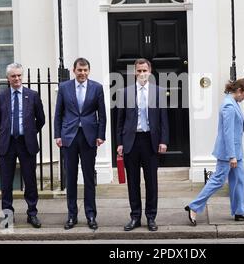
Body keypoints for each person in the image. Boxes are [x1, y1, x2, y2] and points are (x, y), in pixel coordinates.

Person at [184, 79, 244, 226]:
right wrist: (232, 156)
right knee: (217, 181)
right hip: (228, 153)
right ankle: (194, 206)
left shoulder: (234, 103)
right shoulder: (228, 106)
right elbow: (227, 133)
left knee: (239, 181)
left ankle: (239, 211)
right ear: (239, 91)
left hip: (237, 152)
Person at [116, 58, 169, 232]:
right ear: (134, 72)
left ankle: (151, 217)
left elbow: (163, 119)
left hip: (150, 141)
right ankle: (135, 217)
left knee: (151, 182)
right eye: (139, 71)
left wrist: (163, 140)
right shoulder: (125, 92)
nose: (142, 74)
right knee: (133, 182)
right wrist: (119, 143)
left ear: (150, 71)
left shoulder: (159, 92)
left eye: (144, 70)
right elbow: (120, 121)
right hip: (131, 141)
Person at [54, 58, 106, 230]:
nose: (82, 73)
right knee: (71, 178)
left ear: (89, 71)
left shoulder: (97, 88)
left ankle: (91, 215)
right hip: (69, 137)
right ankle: (72, 216)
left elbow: (102, 114)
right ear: (73, 70)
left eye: (85, 70)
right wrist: (57, 135)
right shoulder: (64, 87)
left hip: (89, 137)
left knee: (89, 177)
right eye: (79, 70)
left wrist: (101, 135)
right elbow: (58, 113)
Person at [0, 63, 45, 228]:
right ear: (8, 78)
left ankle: (32, 214)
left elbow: (41, 119)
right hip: (7, 144)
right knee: (6, 182)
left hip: (26, 143)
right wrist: (9, 130)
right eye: (13, 76)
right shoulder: (1, 97)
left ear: (23, 77)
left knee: (30, 181)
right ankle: (7, 216)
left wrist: (29, 131)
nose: (16, 78)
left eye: (19, 76)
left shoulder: (33, 95)